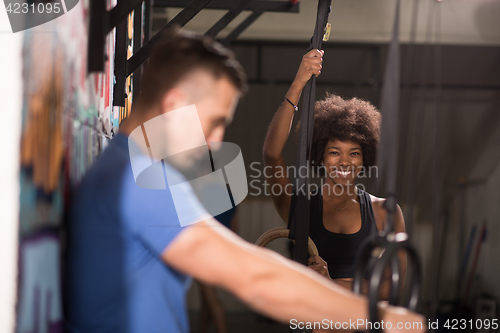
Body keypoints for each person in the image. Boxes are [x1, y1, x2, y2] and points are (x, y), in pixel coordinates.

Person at [66, 32, 422, 333]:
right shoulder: (139, 182)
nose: (218, 142)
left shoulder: (127, 168)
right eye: (215, 122)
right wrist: (381, 318)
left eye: (353, 154)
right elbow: (255, 277)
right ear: (175, 103)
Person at [262, 49, 406, 296]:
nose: (344, 162)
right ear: (320, 156)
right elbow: (271, 155)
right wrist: (299, 82)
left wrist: (332, 283)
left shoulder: (385, 212)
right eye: (334, 152)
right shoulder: (301, 208)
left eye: (354, 153)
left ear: (365, 158)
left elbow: (394, 286)